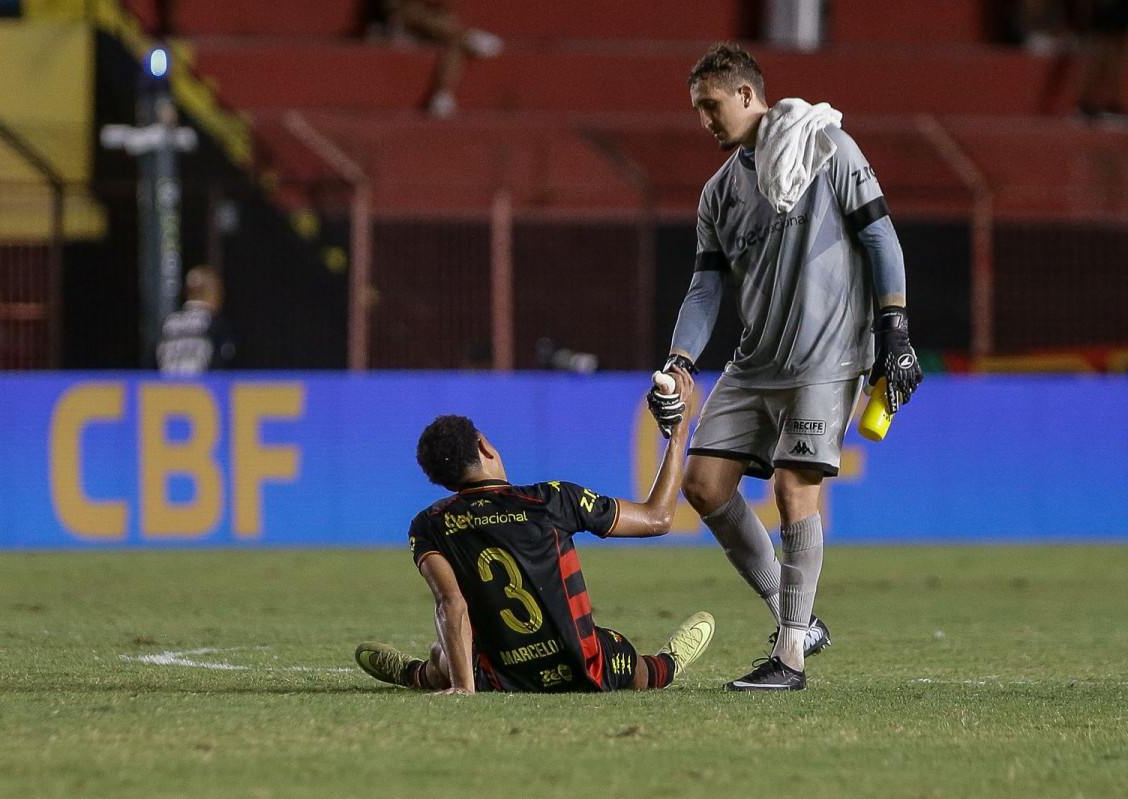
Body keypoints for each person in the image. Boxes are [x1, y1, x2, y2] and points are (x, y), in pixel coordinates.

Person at [648, 43, 922, 691]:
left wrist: (895, 328)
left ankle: (790, 657)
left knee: (794, 488)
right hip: (756, 361)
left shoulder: (827, 147)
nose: (704, 120)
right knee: (704, 485)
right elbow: (705, 288)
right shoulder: (719, 193)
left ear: (747, 94)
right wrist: (679, 361)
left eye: (711, 105)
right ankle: (795, 615)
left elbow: (880, 235)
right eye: (697, 109)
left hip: (828, 356)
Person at [355, 369, 716, 694]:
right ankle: (666, 665)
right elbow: (658, 518)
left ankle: (417, 674)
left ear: (444, 482)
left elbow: (451, 602)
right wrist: (678, 432)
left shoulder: (430, 523)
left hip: (502, 676)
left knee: (442, 655)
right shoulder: (553, 499)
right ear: (484, 447)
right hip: (584, 668)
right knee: (630, 663)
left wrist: (464, 687)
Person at [376, 0, 503, 118]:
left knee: (454, 41)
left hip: (431, 23)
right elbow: (394, 8)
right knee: (416, 14)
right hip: (400, 23)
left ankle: (443, 94)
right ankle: (467, 37)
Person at [156, 265, 235, 374]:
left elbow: (151, 365)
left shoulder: (167, 323)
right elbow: (223, 363)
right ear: (212, 292)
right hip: (202, 384)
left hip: (166, 384)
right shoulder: (215, 324)